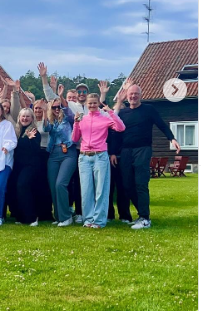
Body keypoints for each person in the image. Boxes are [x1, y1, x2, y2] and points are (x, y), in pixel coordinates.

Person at [113, 82, 181, 230]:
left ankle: (145, 218)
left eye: (136, 94)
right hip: (125, 151)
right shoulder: (123, 113)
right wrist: (113, 152)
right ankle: (141, 214)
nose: (133, 96)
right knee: (127, 184)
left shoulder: (149, 110)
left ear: (141, 96)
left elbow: (161, 125)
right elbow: (115, 132)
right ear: (127, 96)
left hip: (143, 149)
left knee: (141, 183)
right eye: (131, 94)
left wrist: (172, 138)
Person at [71, 93, 125, 228]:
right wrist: (76, 123)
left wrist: (111, 112)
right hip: (84, 157)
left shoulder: (105, 118)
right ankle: (88, 219)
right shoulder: (82, 119)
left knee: (101, 189)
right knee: (86, 190)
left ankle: (99, 220)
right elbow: (74, 138)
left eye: (95, 103)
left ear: (98, 104)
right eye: (90, 103)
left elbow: (121, 127)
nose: (92, 105)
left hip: (100, 156)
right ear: (86, 104)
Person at [44, 97, 78, 226]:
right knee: (53, 186)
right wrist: (45, 112)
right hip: (53, 153)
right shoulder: (52, 121)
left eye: (59, 107)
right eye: (54, 107)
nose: (57, 109)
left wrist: (61, 96)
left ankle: (66, 217)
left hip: (68, 152)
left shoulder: (68, 119)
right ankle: (59, 217)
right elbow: (46, 128)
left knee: (60, 184)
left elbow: (69, 113)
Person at [12, 108, 43, 226]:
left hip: (31, 165)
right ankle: (21, 216)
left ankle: (32, 217)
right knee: (17, 188)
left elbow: (36, 150)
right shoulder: (17, 131)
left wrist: (30, 139)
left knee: (23, 185)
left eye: (27, 116)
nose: (25, 118)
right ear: (19, 118)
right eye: (23, 116)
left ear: (32, 118)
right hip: (18, 165)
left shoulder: (34, 131)